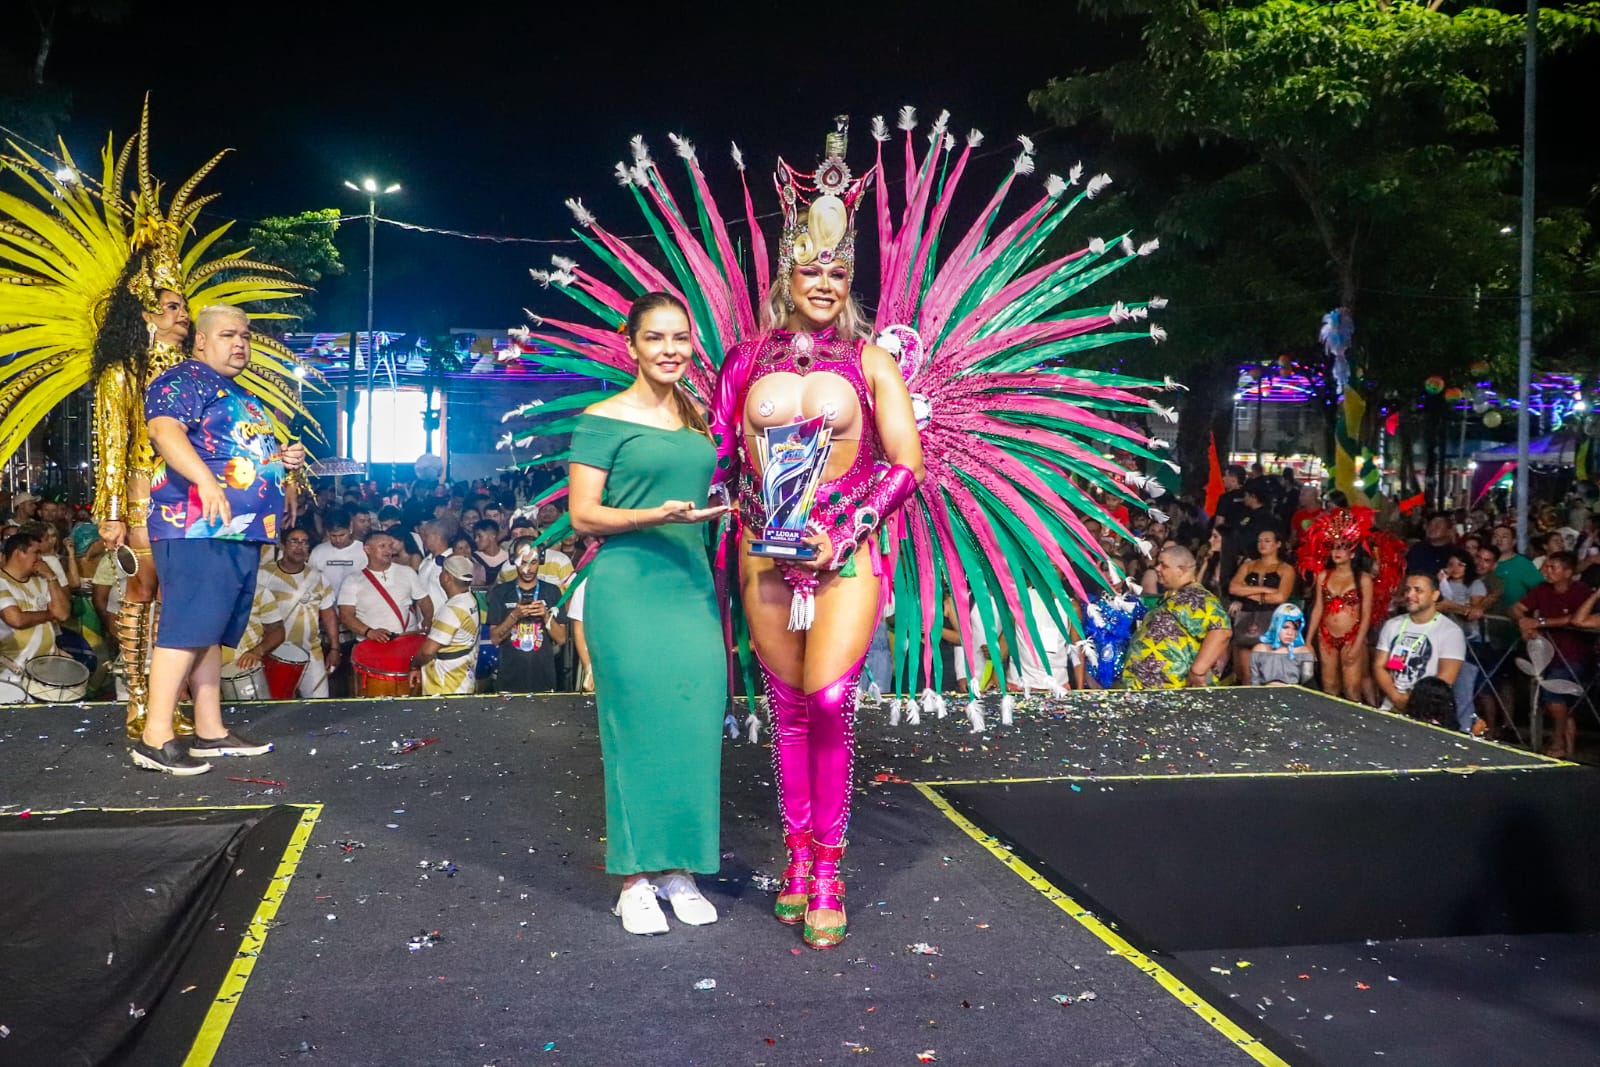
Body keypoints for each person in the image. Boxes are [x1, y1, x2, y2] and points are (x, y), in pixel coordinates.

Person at [568, 292, 732, 936]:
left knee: (693, 723)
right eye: (656, 338)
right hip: (628, 587)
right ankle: (634, 880)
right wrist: (651, 514)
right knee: (634, 730)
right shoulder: (600, 419)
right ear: (630, 344)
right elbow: (584, 514)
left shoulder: (695, 419)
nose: (671, 350)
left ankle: (680, 869)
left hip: (690, 586)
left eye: (681, 339)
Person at [133, 303, 305, 774]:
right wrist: (205, 482)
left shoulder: (237, 393)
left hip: (237, 531)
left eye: (246, 336)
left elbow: (241, 451)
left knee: (209, 629)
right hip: (195, 525)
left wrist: (281, 466)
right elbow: (164, 431)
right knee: (186, 627)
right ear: (202, 340)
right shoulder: (182, 379)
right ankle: (154, 736)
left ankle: (209, 730)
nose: (241, 343)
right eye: (229, 334)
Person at [1512, 551, 1592, 758]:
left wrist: (1539, 622)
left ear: (1568, 572)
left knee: (1553, 699)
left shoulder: (1581, 591)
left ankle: (1557, 741)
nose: (1545, 571)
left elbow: (1575, 618)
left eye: (1552, 567)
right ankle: (1568, 751)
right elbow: (1517, 608)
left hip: (1575, 655)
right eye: (1546, 566)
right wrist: (1523, 620)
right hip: (1548, 655)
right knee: (1560, 705)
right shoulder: (1542, 589)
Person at [1120, 546, 1232, 689]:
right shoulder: (1174, 596)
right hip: (1148, 691)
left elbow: (1222, 631)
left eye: (1164, 565)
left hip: (1172, 690)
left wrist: (1198, 670)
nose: (1157, 568)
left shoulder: (1197, 597)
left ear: (1182, 570)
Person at [256, 527, 339, 697]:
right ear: (283, 545)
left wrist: (334, 648)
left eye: (304, 542)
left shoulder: (318, 577)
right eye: (294, 541)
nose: (299, 546)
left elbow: (328, 613)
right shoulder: (263, 575)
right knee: (275, 707)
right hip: (272, 652)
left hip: (311, 652)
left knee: (318, 705)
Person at [1373, 573, 1465, 712]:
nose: (1410, 595)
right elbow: (1379, 666)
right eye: (1407, 590)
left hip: (1428, 709)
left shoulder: (1451, 632)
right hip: (1391, 704)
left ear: (1434, 595)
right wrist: (1395, 697)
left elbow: (1446, 678)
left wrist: (1412, 702)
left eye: (1418, 590)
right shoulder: (1392, 625)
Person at [488, 538, 568, 694]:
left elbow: (561, 639)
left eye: (533, 563)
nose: (527, 569)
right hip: (509, 679)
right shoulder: (500, 593)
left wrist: (546, 616)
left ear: (541, 561)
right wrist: (514, 616)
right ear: (513, 561)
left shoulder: (552, 591)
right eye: (523, 563)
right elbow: (494, 638)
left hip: (544, 678)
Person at [0, 530, 70, 682]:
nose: (40, 558)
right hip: (11, 674)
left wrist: (51, 577)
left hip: (46, 670)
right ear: (19, 553)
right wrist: (50, 614)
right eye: (36, 553)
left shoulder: (40, 581)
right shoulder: (1, 581)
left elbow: (63, 614)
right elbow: (16, 619)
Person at [338, 530, 432, 643]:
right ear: (367, 549)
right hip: (372, 644)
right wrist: (369, 632)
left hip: (407, 639)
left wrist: (427, 619)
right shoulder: (352, 580)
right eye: (382, 546)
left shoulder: (407, 572)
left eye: (390, 546)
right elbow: (346, 616)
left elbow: (423, 600)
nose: (388, 550)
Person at [1227, 527, 1296, 681]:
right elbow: (1233, 588)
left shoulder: (1286, 569)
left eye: (1267, 541)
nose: (1262, 544)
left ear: (1278, 544)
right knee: (1246, 673)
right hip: (1247, 617)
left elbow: (1280, 597)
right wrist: (1265, 590)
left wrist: (1249, 593)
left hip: (1272, 618)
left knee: (1268, 673)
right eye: (1259, 541)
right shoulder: (1248, 565)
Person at [408, 556, 481, 695]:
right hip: (462, 676)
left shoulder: (452, 610)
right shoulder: (470, 599)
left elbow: (427, 651)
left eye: (442, 571)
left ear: (446, 577)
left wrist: (414, 664)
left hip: (446, 683)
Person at [1249, 603, 1316, 686]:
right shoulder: (1259, 650)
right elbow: (1254, 683)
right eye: (1285, 627)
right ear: (1276, 625)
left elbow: (1307, 685)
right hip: (1264, 695)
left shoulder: (1304, 652)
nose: (1290, 633)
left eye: (1295, 628)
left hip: (1293, 696)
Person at [1489, 524, 1543, 612]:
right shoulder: (1484, 562)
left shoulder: (1522, 563)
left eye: (1504, 536)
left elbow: (1540, 590)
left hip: (1512, 620)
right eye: (1495, 536)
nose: (1499, 540)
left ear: (1514, 541)